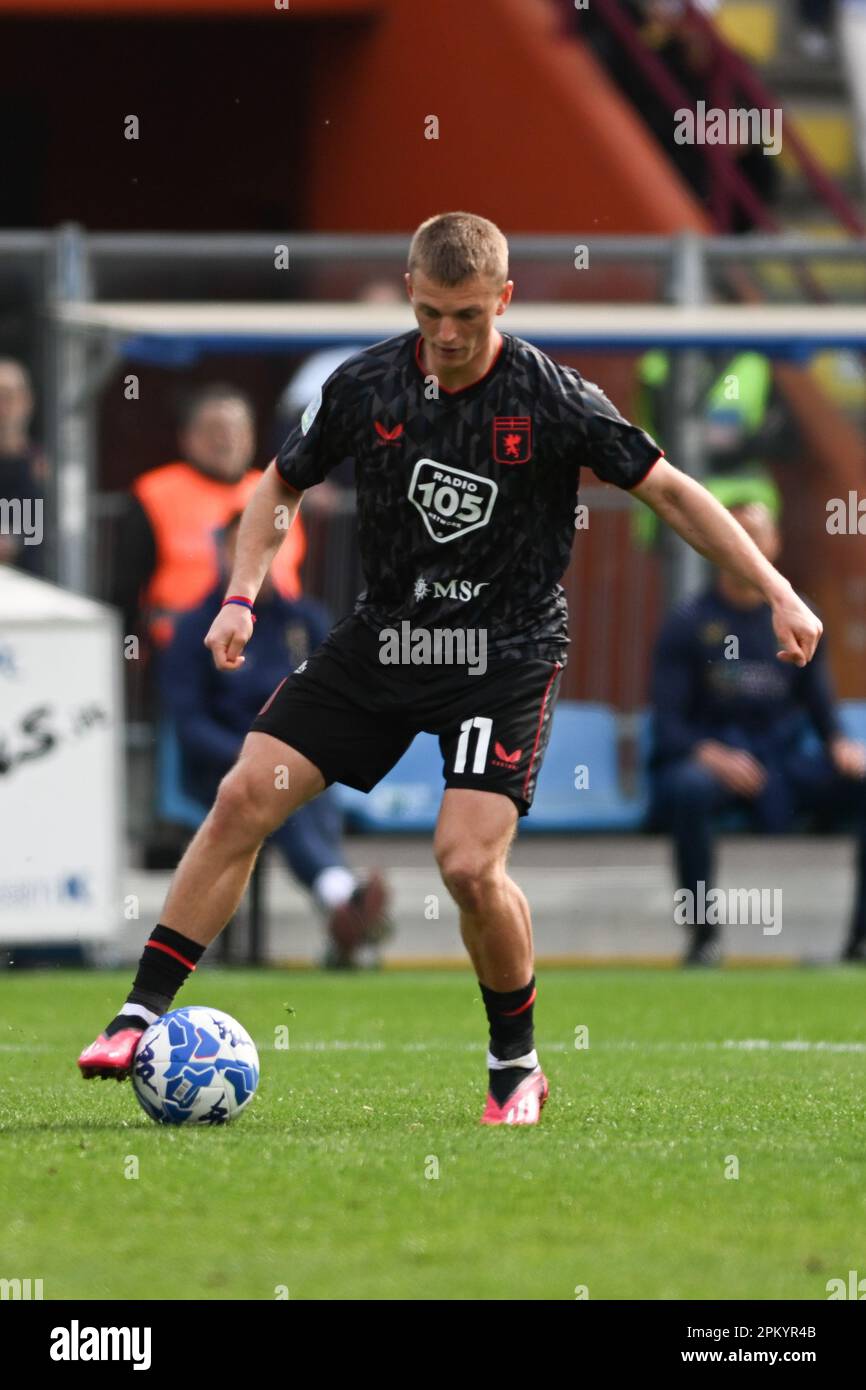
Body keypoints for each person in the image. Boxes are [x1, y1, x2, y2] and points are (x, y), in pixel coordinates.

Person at [79, 211, 822, 1127]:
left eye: (467, 314)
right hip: (387, 638)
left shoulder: (553, 397)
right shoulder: (368, 383)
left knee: (466, 864)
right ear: (410, 294)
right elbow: (280, 482)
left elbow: (667, 488)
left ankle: (515, 1065)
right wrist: (241, 595)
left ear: (502, 300)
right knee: (244, 795)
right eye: (431, 312)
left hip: (504, 653)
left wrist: (779, 590)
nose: (447, 335)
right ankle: (139, 1010)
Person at [160, 511, 391, 967]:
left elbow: (339, 699)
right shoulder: (194, 627)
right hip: (218, 768)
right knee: (275, 783)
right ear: (225, 553)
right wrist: (249, 757)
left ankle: (342, 906)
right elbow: (187, 722)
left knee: (295, 780)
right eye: (243, 546)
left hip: (295, 761)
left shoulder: (307, 619)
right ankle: (342, 897)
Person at [650, 501, 866, 966]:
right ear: (721, 545)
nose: (748, 545)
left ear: (774, 545)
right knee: (688, 790)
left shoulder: (801, 615)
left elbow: (820, 706)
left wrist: (840, 744)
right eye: (736, 535)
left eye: (757, 535)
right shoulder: (688, 621)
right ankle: (703, 939)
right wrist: (711, 755)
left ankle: (860, 942)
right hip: (714, 761)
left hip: (780, 763)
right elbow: (667, 725)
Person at [113, 383, 306, 652]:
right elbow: (126, 587)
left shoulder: (278, 491)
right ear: (187, 437)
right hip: (184, 649)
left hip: (271, 646)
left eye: (236, 430)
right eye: (213, 430)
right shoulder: (155, 494)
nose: (225, 440)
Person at [0, 358, 45, 575]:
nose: (3, 406)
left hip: (36, 590)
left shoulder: (44, 465)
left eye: (8, 396)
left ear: (26, 401)